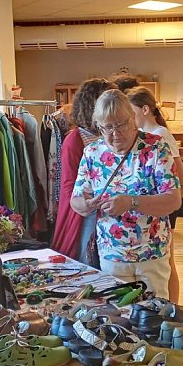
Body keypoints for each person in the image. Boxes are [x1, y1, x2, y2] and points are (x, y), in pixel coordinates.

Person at [71, 89, 181, 297]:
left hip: (151, 253)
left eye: (120, 124)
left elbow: (173, 200)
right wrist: (85, 205)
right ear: (99, 126)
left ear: (132, 119)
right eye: (107, 127)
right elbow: (76, 200)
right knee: (117, 312)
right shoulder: (93, 153)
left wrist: (131, 202)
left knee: (154, 312)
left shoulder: (155, 147)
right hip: (111, 255)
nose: (115, 134)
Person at [128, 86, 183, 303]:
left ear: (145, 109)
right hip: (149, 205)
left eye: (131, 112)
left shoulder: (160, 135)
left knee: (167, 262)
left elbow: (181, 176)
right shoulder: (141, 137)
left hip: (162, 204)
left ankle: (173, 306)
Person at [51, 78, 115, 264]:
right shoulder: (74, 140)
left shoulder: (107, 135)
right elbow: (68, 185)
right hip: (87, 214)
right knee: (88, 261)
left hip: (109, 211)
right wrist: (88, 201)